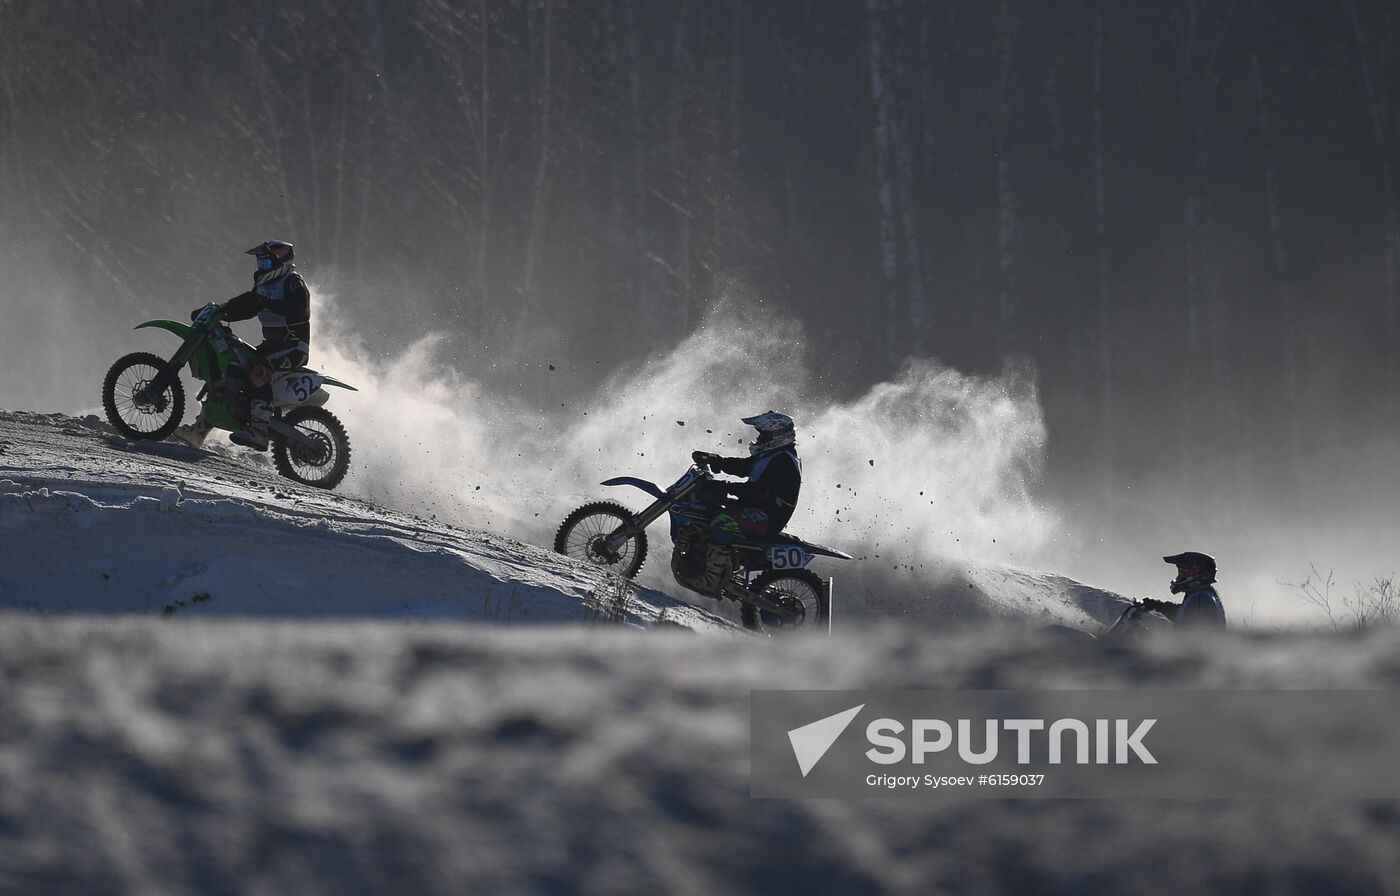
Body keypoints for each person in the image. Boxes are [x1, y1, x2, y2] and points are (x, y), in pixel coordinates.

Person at [174, 240, 310, 450]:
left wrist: (268, 303)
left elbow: (299, 311)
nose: (261, 268)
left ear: (280, 262)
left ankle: (259, 430)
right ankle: (200, 430)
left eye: (266, 263)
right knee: (229, 370)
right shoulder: (264, 286)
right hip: (271, 346)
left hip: (294, 347)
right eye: (260, 263)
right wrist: (220, 311)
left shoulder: (293, 283)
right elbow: (247, 306)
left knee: (260, 370)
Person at [673, 411, 802, 599]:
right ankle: (698, 559)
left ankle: (711, 580)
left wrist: (723, 488)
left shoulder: (784, 462)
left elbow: (757, 492)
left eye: (763, 434)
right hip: (757, 509)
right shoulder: (773, 455)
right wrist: (715, 460)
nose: (759, 438)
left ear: (777, 435)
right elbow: (744, 467)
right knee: (704, 509)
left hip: (766, 517)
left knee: (720, 522)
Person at [1141, 551, 1227, 629]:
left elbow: (1192, 635)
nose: (1179, 576)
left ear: (1195, 573)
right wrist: (1157, 606)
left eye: (1182, 572)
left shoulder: (1201, 599)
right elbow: (1185, 613)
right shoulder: (1203, 594)